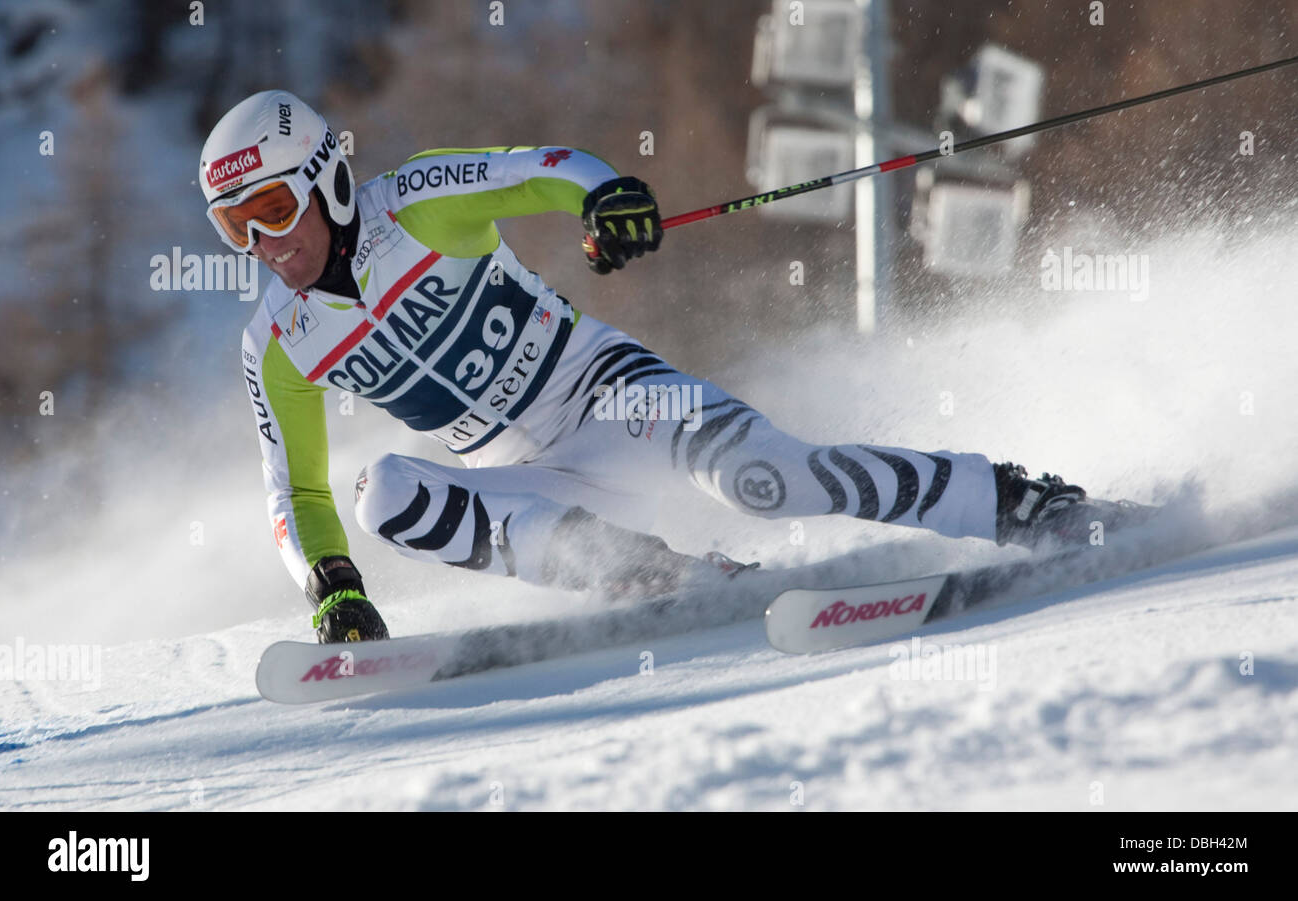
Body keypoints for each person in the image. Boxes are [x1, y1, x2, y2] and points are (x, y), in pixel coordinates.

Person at [201, 90, 1093, 644]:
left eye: (274, 207)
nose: (265, 243)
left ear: (328, 179)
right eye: (236, 227)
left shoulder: (418, 204)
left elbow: (542, 169)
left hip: (611, 394)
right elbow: (296, 494)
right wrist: (332, 590)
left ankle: (1014, 500)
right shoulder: (279, 344)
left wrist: (605, 196)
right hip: (534, 488)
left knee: (767, 479)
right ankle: (665, 575)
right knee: (383, 492)